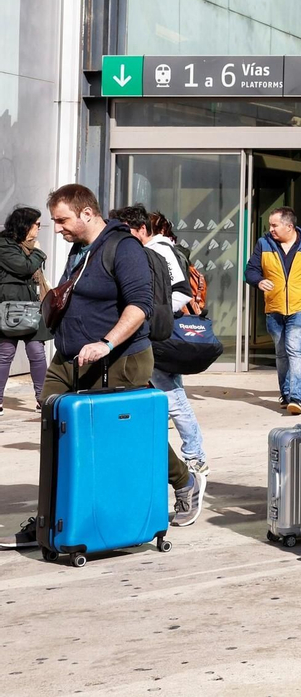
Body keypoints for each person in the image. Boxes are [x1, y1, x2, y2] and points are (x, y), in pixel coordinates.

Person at [0, 185, 202, 550]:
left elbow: (139, 306)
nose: (57, 228)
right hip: (70, 358)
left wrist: (106, 342)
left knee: (134, 433)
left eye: (62, 220)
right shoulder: (79, 249)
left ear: (88, 213)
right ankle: (53, 519)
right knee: (53, 426)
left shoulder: (124, 248)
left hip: (121, 358)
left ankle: (184, 481)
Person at [109, 206, 208, 476]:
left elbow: (181, 292)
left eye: (124, 229)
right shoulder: (144, 250)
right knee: (164, 394)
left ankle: (194, 455)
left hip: (155, 334)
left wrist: (147, 316)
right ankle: (185, 453)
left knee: (172, 396)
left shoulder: (159, 250)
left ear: (142, 230)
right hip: (151, 332)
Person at [246, 207, 301, 415]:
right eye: (270, 225)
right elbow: (251, 270)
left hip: (300, 306)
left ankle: (296, 397)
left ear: (289, 226)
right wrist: (259, 281)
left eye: (275, 225)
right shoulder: (264, 243)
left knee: (294, 349)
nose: (271, 229)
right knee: (281, 352)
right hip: (274, 307)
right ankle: (285, 395)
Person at [0, 206, 49, 410]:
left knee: (37, 352)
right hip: (10, 307)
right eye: (36, 224)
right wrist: (37, 251)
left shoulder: (27, 247)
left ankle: (43, 399)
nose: (39, 228)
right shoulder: (4, 245)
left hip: (32, 306)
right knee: (5, 353)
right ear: (25, 225)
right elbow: (24, 267)